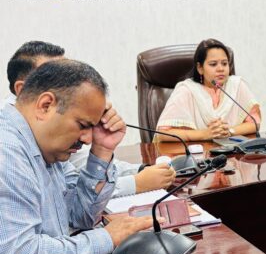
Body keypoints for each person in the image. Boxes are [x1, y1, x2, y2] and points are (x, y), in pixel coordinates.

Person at [0, 59, 154, 254]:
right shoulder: (7, 153)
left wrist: (102, 150)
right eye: (83, 125)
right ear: (45, 105)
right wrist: (105, 238)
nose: (87, 139)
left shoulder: (46, 147)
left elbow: (81, 215)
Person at [2, 41, 176, 196]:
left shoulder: (51, 138)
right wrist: (137, 183)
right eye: (53, 75)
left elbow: (77, 193)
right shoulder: (9, 151)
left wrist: (138, 168)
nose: (70, 82)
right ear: (22, 90)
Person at [156, 39, 261, 141]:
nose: (221, 69)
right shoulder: (187, 90)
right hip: (197, 151)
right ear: (200, 68)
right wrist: (205, 134)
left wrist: (229, 131)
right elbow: (163, 134)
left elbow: (254, 122)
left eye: (224, 63)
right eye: (213, 64)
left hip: (230, 149)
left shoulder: (237, 86)